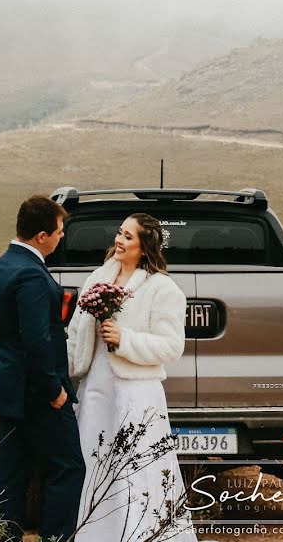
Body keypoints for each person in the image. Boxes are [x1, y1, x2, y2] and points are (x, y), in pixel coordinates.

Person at [67, 213, 198, 542]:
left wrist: (125, 340)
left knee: (134, 469)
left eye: (128, 237)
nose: (119, 241)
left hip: (135, 392)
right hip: (96, 387)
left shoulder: (162, 289)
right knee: (91, 461)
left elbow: (171, 347)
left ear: (144, 247)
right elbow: (76, 332)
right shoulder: (98, 276)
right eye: (119, 233)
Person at [0, 195, 85, 542]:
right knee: (68, 468)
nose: (61, 238)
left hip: (10, 390)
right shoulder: (31, 274)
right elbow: (36, 340)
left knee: (12, 475)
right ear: (41, 236)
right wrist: (53, 390)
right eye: (58, 232)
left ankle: (5, 538)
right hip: (40, 396)